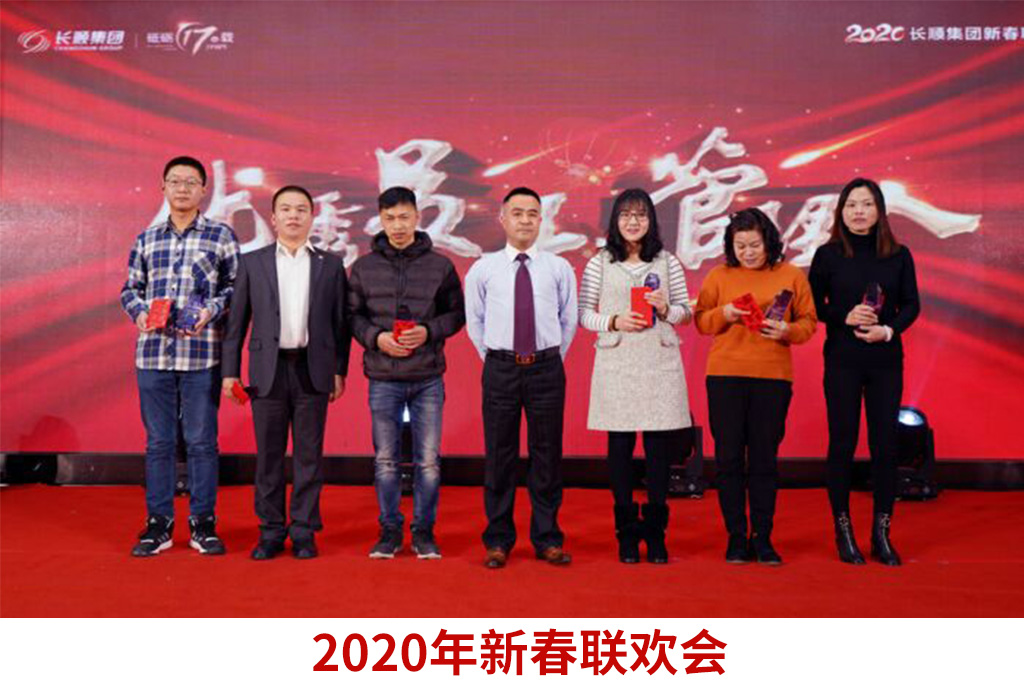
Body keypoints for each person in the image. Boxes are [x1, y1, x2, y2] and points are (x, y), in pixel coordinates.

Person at [222, 185, 351, 560]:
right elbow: (236, 324)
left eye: (301, 209)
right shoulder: (253, 262)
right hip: (268, 371)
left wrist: (339, 370)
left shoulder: (331, 265)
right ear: (274, 217)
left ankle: (304, 531)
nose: (293, 215)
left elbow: (340, 324)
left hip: (313, 369)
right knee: (269, 457)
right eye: (286, 209)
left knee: (309, 457)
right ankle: (271, 531)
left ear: (312, 217)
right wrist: (230, 373)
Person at [120, 156, 240, 557]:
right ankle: (159, 525)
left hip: (200, 356)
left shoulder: (221, 236)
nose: (183, 188)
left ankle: (203, 524)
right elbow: (130, 289)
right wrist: (139, 313)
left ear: (204, 189)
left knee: (202, 442)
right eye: (175, 181)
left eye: (191, 182)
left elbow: (235, 288)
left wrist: (211, 310)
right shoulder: (147, 238)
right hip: (153, 355)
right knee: (158, 443)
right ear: (163, 187)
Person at [348, 187, 466, 560]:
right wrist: (376, 338)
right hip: (383, 377)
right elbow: (352, 316)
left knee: (428, 461)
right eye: (390, 219)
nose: (397, 226)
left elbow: (456, 315)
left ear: (417, 216)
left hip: (427, 376)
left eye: (404, 217)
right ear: (380, 220)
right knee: (385, 460)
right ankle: (389, 531)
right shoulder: (363, 268)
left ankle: (423, 532)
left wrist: (429, 331)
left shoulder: (440, 266)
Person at [693, 208, 816, 565]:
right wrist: (725, 314)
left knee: (764, 460)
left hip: (772, 378)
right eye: (741, 246)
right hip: (725, 377)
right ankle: (736, 537)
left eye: (755, 245)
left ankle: (763, 537)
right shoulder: (719, 275)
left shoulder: (791, 275)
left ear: (769, 242)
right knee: (728, 459)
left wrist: (787, 330)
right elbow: (701, 321)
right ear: (731, 246)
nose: (748, 252)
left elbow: (808, 322)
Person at [464, 187, 578, 568]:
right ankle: (498, 539)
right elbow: (475, 322)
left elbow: (568, 320)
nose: (525, 220)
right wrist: (497, 358)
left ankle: (548, 538)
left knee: (547, 455)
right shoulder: (483, 269)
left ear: (541, 219)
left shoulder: (558, 268)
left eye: (532, 213)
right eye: (517, 213)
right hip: (500, 368)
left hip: (546, 368)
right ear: (503, 219)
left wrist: (548, 357)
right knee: (500, 456)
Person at [808, 178, 920, 566]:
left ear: (880, 211)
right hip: (842, 360)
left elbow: (912, 304)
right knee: (842, 442)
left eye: (867, 204)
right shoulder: (828, 255)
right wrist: (844, 315)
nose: (859, 211)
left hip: (885, 361)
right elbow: (812, 305)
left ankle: (881, 532)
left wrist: (887, 330)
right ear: (841, 211)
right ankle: (844, 530)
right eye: (852, 204)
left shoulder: (899, 255)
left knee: (885, 445)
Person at [578, 188, 692, 564]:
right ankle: (626, 531)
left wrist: (667, 309)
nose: (633, 222)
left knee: (659, 448)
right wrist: (614, 321)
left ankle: (656, 532)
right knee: (620, 447)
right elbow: (583, 314)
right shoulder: (599, 262)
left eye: (640, 215)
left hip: (658, 359)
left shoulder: (667, 261)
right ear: (615, 220)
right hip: (618, 360)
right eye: (626, 215)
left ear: (651, 220)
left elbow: (686, 313)